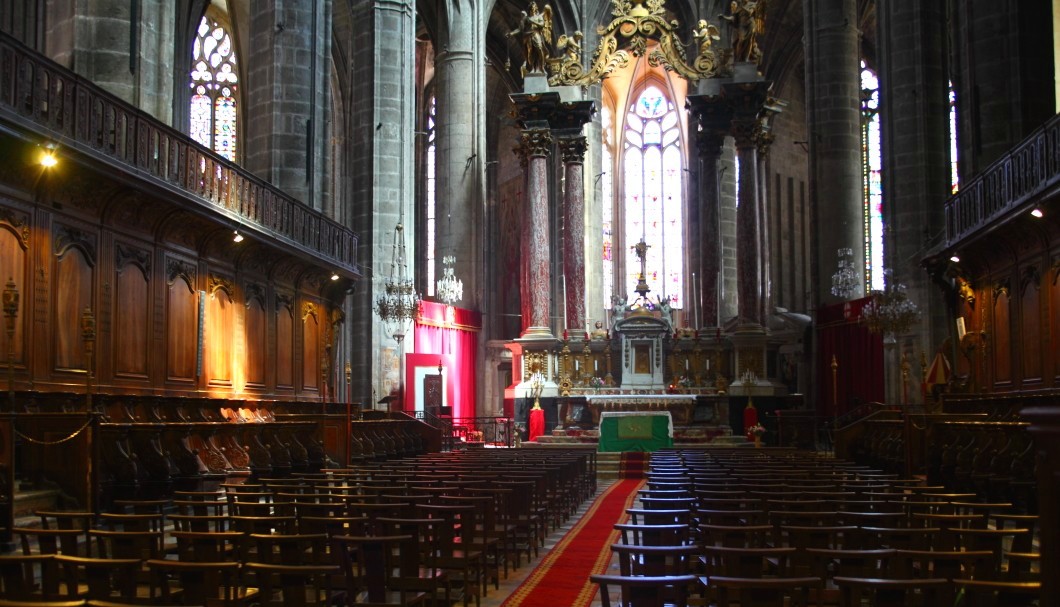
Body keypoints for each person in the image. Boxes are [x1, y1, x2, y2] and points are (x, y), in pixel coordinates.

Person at [507, 2, 553, 77]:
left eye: (534, 6)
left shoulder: (539, 17)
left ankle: (541, 67)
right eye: (531, 6)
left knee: (539, 49)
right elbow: (520, 29)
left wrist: (532, 21)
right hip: (528, 36)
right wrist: (511, 34)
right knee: (530, 53)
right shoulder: (526, 18)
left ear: (536, 8)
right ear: (530, 8)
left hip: (536, 34)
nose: (533, 8)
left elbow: (542, 25)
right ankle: (532, 68)